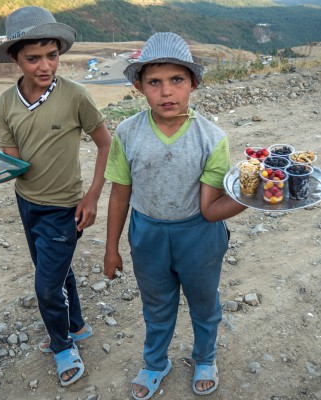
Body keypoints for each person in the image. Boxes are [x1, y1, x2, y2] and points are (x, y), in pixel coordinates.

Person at [0, 6, 111, 387]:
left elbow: (106, 144)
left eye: (51, 55)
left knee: (46, 285)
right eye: (32, 58)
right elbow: (13, 163)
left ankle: (62, 345)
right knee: (55, 270)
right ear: (14, 59)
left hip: (65, 206)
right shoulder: (6, 103)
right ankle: (78, 325)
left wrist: (92, 197)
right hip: (28, 203)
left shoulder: (76, 96)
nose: (45, 65)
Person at [103, 32, 246, 399]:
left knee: (203, 301)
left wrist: (254, 197)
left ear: (193, 83)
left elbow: (211, 209)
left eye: (176, 80)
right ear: (139, 87)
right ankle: (155, 362)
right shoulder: (127, 132)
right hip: (147, 234)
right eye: (155, 82)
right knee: (156, 305)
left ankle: (204, 357)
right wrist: (111, 248)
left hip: (198, 235)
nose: (166, 92)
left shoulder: (211, 138)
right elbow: (120, 195)